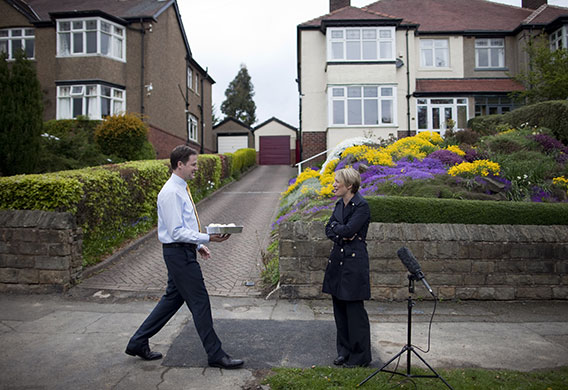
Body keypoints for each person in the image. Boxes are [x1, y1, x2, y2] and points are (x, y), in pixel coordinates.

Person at [125, 145, 244, 369]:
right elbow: (175, 231)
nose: (197, 168)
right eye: (193, 164)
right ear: (180, 164)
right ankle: (215, 354)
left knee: (173, 299)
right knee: (200, 302)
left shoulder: (181, 188)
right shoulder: (170, 192)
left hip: (183, 251)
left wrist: (198, 244)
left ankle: (137, 341)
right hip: (178, 253)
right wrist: (208, 238)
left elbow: (184, 225)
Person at [322, 167, 372, 368]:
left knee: (354, 311)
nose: (333, 185)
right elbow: (329, 229)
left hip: (354, 263)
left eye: (337, 182)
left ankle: (360, 357)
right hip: (337, 262)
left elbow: (350, 229)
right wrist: (340, 231)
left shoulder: (362, 206)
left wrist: (340, 230)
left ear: (349, 185)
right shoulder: (338, 205)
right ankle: (343, 352)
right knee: (339, 310)